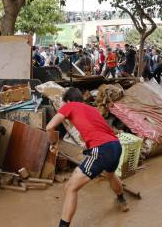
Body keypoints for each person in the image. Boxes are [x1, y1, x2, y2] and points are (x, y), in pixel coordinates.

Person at [46, 88, 128, 227]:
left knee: (70, 188)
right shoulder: (92, 109)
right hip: (115, 145)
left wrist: (54, 143)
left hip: (101, 149)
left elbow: (49, 127)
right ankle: (122, 201)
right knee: (110, 175)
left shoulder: (69, 105)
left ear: (68, 101)